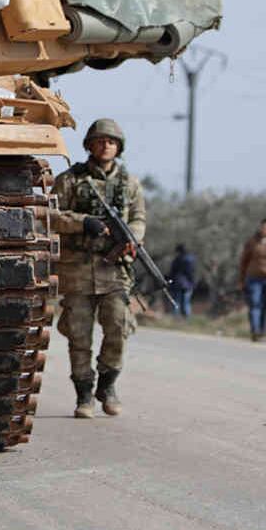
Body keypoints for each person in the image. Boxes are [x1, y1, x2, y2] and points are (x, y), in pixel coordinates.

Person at [52, 118, 146, 418]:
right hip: (77, 270)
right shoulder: (70, 180)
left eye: (111, 141)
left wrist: (133, 236)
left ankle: (107, 385)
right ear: (89, 145)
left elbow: (139, 218)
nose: (106, 145)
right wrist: (83, 223)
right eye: (100, 140)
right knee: (79, 335)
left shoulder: (130, 184)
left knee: (118, 326)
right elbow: (50, 216)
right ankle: (84, 396)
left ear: (118, 148)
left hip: (115, 271)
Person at [238, 218, 266, 341]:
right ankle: (255, 331)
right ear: (261, 228)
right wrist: (241, 280)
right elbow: (243, 262)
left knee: (265, 306)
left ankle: (262, 332)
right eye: (264, 227)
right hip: (253, 279)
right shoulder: (252, 242)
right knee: (255, 303)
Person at [167, 244, 197, 318]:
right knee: (186, 302)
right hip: (188, 285)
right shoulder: (191, 260)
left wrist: (170, 281)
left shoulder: (177, 260)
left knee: (176, 302)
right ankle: (186, 318)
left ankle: (176, 318)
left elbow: (172, 272)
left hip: (178, 284)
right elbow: (192, 273)